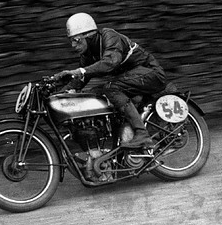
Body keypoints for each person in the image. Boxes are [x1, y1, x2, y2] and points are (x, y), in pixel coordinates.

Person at [58, 12, 168, 148]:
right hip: (130, 80)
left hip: (151, 74)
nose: (73, 45)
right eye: (72, 41)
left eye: (76, 40)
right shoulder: (87, 55)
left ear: (89, 35)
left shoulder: (109, 36)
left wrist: (79, 71)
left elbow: (111, 61)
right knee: (94, 94)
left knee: (111, 88)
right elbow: (81, 79)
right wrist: (61, 93)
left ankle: (142, 134)